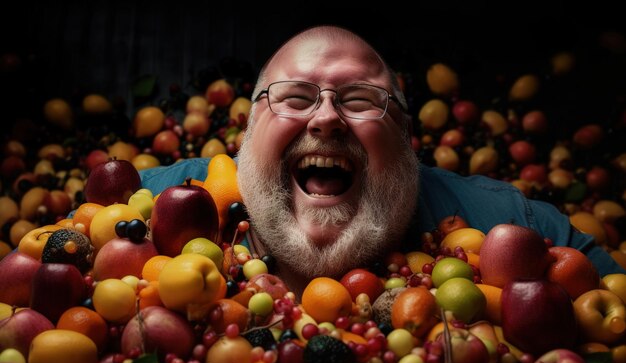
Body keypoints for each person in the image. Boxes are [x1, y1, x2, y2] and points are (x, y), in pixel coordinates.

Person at [140, 25, 625, 297]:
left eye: (359, 99)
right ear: (248, 129)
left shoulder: (517, 228)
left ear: (405, 135)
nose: (325, 118)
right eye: (295, 96)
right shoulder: (142, 211)